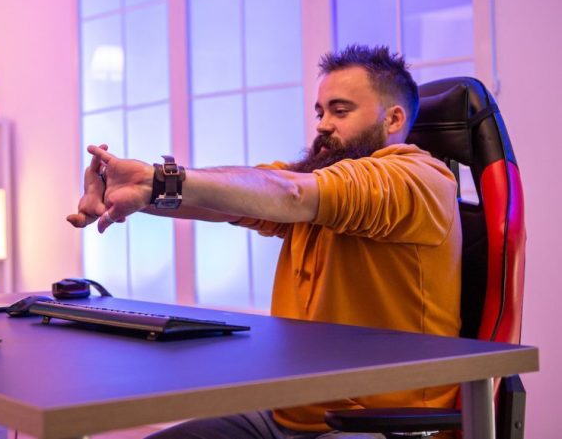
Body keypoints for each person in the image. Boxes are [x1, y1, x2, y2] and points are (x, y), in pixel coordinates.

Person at [67, 45, 462, 439]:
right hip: (289, 416)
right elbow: (225, 200)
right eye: (320, 112)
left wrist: (155, 179)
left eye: (341, 112)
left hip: (378, 427)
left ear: (393, 118)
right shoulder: (317, 178)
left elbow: (291, 193)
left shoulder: (418, 180)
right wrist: (135, 194)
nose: (323, 125)